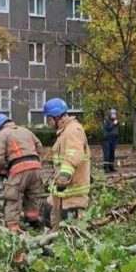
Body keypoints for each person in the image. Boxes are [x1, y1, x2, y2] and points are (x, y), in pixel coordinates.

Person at [0, 114, 44, 233]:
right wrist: (37, 162)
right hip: (36, 167)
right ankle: (33, 221)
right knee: (32, 195)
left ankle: (13, 228)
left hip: (18, 168)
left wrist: (1, 171)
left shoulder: (2, 134)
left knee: (12, 197)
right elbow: (39, 147)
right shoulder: (26, 131)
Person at [43, 97, 91, 227]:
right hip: (62, 193)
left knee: (68, 230)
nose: (48, 123)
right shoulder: (64, 132)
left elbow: (73, 154)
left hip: (72, 193)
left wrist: (64, 176)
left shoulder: (73, 130)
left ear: (57, 117)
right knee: (48, 215)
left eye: (49, 119)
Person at [102, 108, 119, 173]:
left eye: (115, 114)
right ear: (110, 114)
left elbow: (115, 130)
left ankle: (111, 167)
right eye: (113, 114)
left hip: (113, 139)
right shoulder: (106, 120)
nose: (114, 115)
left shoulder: (115, 121)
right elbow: (107, 128)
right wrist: (114, 124)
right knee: (107, 154)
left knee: (112, 153)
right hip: (107, 139)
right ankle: (106, 167)